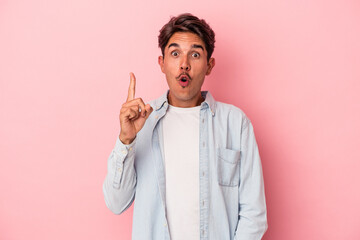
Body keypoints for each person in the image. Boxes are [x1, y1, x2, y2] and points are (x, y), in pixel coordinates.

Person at [103, 13, 268, 240]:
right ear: (162, 63)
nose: (184, 64)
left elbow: (254, 215)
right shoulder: (141, 121)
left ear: (209, 65)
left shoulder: (235, 124)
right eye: (175, 53)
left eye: (195, 54)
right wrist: (126, 140)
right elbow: (116, 203)